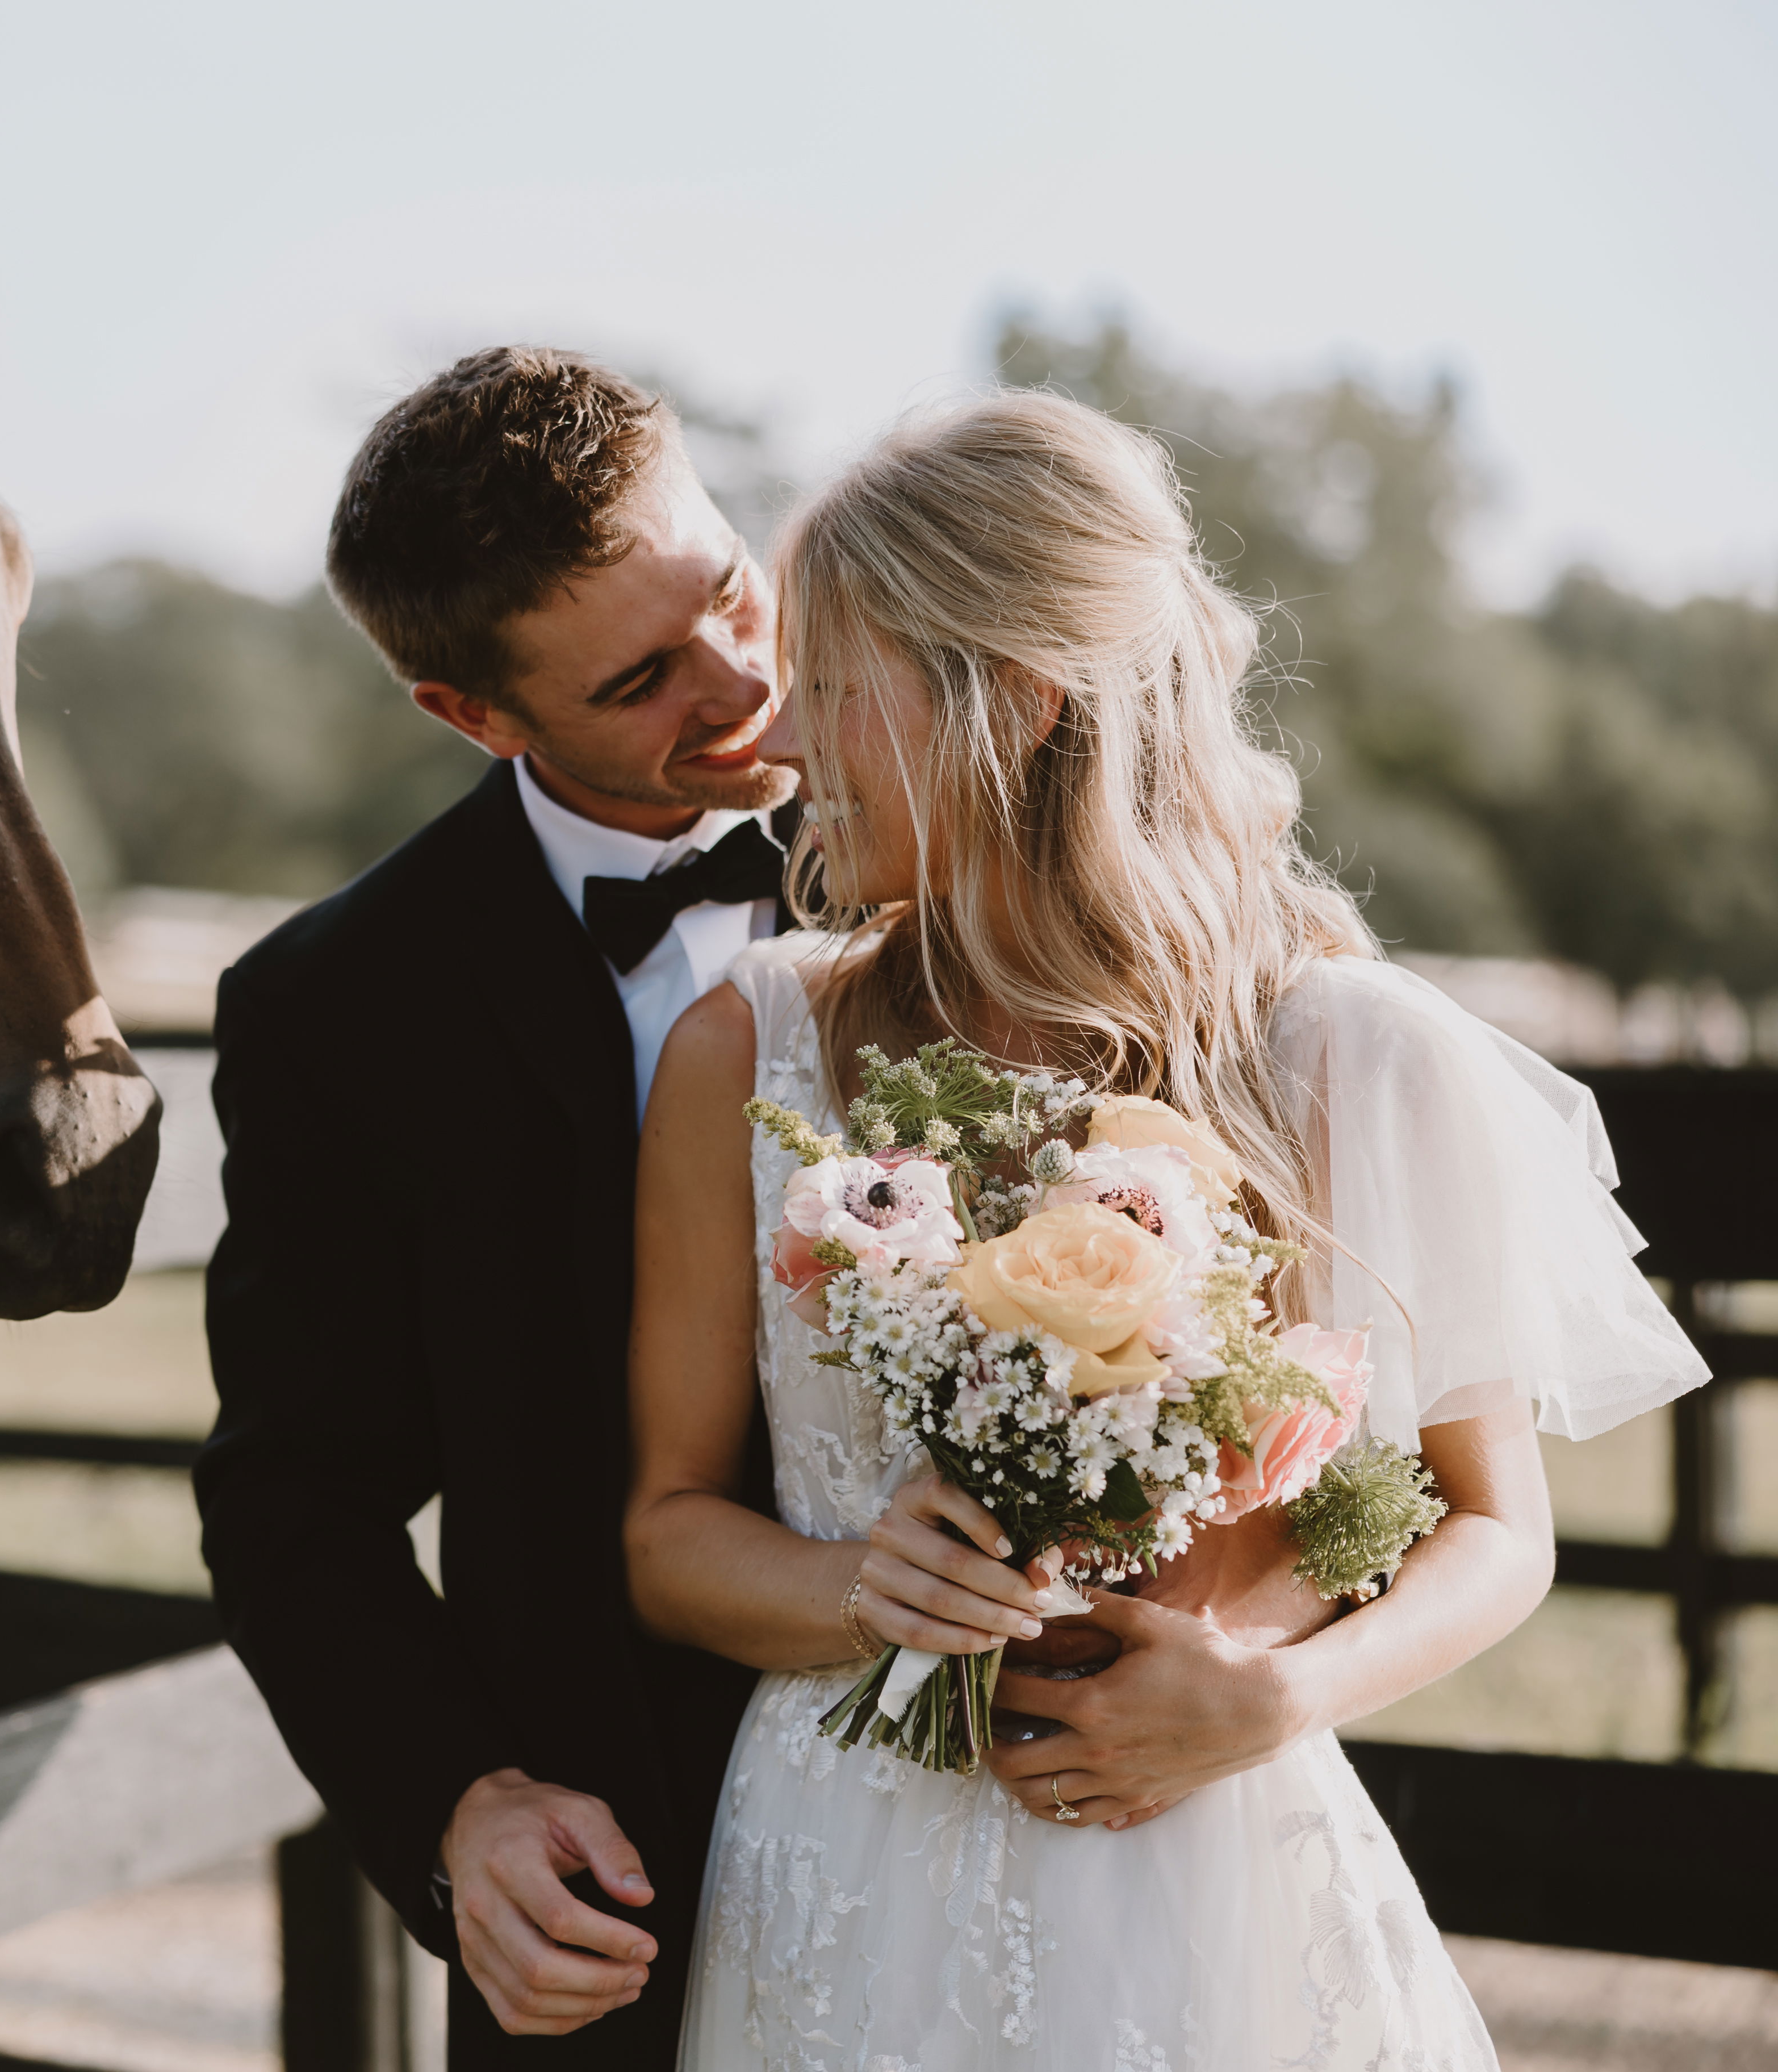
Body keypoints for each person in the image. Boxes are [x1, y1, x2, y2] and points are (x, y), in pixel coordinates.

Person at [624, 390, 1711, 2065]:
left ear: (1020, 699)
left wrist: (1275, 1693)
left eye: (835, 686)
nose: (782, 745)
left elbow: (1502, 1534)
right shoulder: (750, 1049)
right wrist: (865, 1587)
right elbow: (668, 1535)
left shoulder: (1344, 1052)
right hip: (845, 1887)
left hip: (1209, 1867)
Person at [195, 348, 798, 2059]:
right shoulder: (335, 1011)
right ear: (475, 714)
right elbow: (295, 1499)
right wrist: (459, 1810)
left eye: (733, 593)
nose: (744, 683)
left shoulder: (974, 853)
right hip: (625, 1906)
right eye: (644, 680)